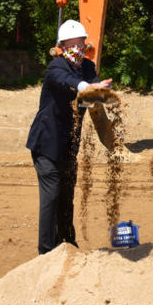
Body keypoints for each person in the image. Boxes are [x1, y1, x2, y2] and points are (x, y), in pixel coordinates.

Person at [26, 19, 112, 254]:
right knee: (51, 195)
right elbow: (68, 82)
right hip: (46, 143)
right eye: (72, 45)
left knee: (67, 194)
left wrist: (103, 92)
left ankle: (67, 242)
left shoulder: (87, 67)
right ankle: (46, 250)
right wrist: (85, 87)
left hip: (69, 143)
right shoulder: (57, 67)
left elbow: (94, 91)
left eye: (80, 44)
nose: (77, 49)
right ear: (62, 48)